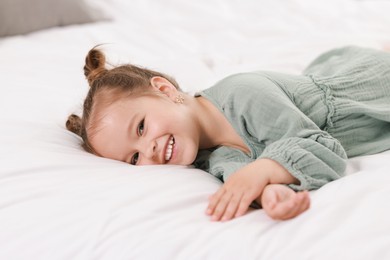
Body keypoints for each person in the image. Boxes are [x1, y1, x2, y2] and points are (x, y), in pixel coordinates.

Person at [66, 45, 390, 221]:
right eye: (134, 158)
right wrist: (270, 195)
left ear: (165, 90)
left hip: (372, 88)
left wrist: (264, 169)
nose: (148, 151)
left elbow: (322, 147)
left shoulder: (242, 92)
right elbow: (245, 180)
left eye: (141, 127)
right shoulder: (210, 159)